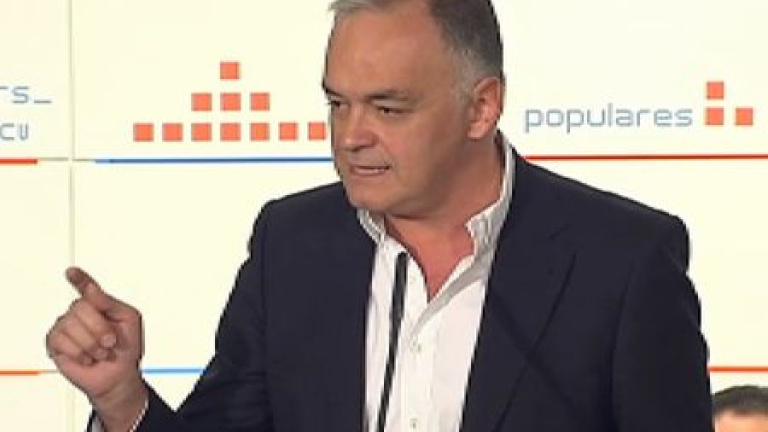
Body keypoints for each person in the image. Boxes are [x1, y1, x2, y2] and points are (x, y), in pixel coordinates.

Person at [45, 0, 714, 430]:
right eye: (338, 104)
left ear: (481, 107)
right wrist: (123, 399)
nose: (351, 136)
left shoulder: (622, 260)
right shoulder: (293, 245)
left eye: (388, 108)